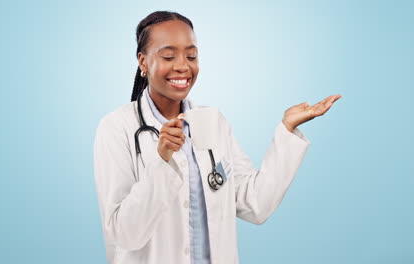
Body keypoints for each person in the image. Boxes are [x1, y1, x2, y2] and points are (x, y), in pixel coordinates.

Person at [93, 10, 342, 264]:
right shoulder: (116, 128)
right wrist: (162, 161)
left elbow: (255, 204)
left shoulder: (212, 122)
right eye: (169, 56)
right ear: (143, 62)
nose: (183, 66)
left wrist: (287, 131)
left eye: (191, 56)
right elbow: (124, 235)